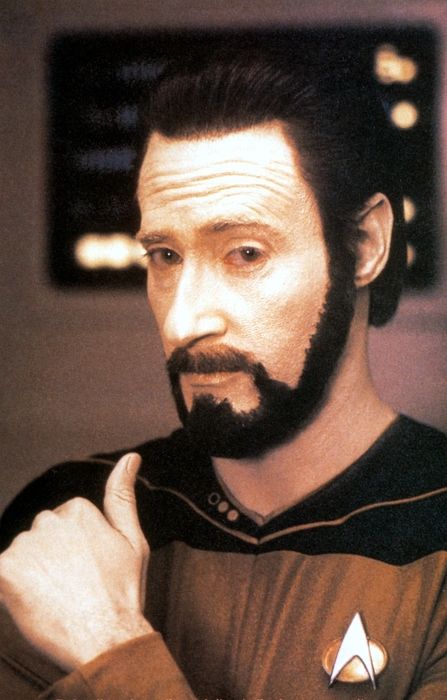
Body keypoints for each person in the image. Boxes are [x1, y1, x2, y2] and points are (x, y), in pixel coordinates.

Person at [0, 47, 446, 700]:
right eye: (164, 255)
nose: (183, 321)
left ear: (365, 245)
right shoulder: (64, 523)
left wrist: (109, 646)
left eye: (245, 253)